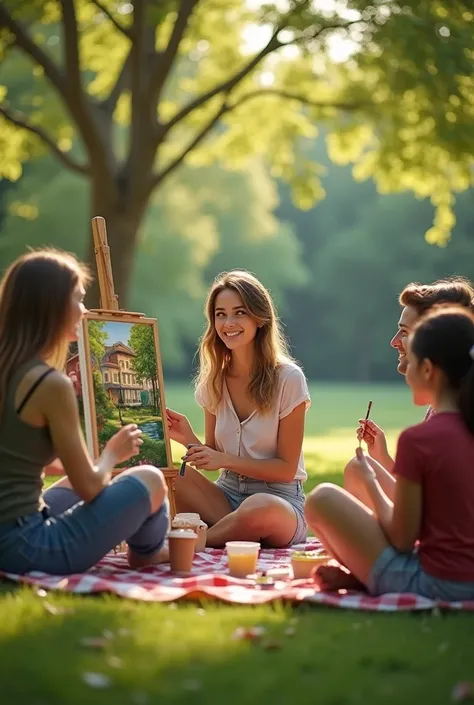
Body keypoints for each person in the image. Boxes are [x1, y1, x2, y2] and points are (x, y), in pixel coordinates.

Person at [0, 249, 169, 576]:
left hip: (16, 530)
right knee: (150, 478)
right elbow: (92, 487)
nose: (83, 310)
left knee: (70, 484)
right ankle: (147, 554)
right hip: (28, 547)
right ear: (50, 306)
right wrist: (111, 455)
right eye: (76, 299)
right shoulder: (49, 384)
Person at [305, 307, 474, 600]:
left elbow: (403, 539)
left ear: (428, 370)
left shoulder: (420, 440)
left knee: (321, 499)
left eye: (411, 362)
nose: (405, 371)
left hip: (436, 584)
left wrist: (370, 481)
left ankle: (364, 576)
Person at [166, 270, 311, 548]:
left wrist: (225, 461)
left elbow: (285, 468)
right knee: (169, 476)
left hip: (278, 503)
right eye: (220, 314)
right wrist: (188, 439)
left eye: (239, 313)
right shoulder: (214, 381)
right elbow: (214, 458)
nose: (228, 323)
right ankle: (225, 532)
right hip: (226, 497)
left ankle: (193, 542)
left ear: (260, 318)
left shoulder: (289, 379)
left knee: (258, 507)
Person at [345, 277, 474, 509]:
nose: (394, 342)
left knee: (352, 474)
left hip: (433, 537)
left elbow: (431, 509)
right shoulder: (443, 405)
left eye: (404, 332)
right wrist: (382, 456)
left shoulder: (456, 417)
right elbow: (423, 489)